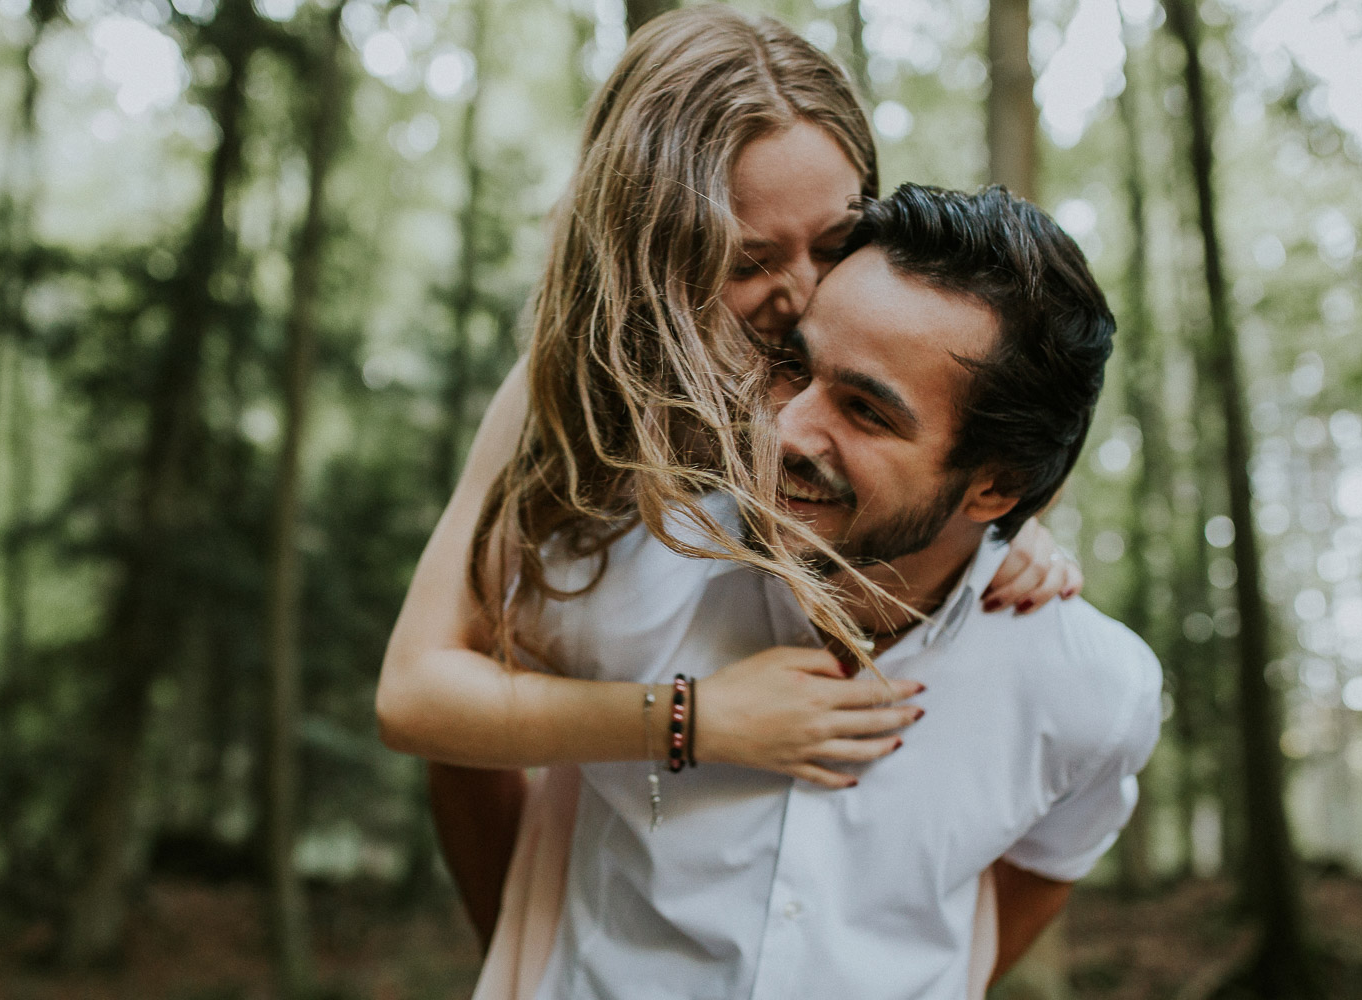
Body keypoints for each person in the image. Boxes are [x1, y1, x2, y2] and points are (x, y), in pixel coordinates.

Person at [376, 3, 1080, 954]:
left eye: (833, 242)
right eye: (748, 260)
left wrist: (989, 524)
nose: (800, 294)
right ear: (650, 252)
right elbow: (418, 693)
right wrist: (693, 719)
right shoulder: (569, 395)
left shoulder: (881, 361)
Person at [511, 184, 1162, 999]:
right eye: (793, 367)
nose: (784, 429)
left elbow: (1045, 868)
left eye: (864, 410)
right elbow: (453, 728)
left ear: (995, 488)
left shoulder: (1093, 691)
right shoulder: (612, 567)